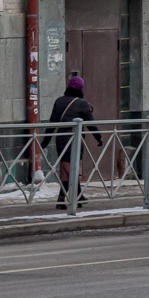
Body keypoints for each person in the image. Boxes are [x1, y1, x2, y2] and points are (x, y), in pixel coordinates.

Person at [42, 75, 101, 210]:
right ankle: (78, 194)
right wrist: (98, 137)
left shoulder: (59, 101)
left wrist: (46, 140)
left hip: (61, 138)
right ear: (80, 88)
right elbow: (91, 124)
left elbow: (52, 123)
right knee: (72, 168)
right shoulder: (82, 104)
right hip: (75, 139)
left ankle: (61, 199)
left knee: (64, 168)